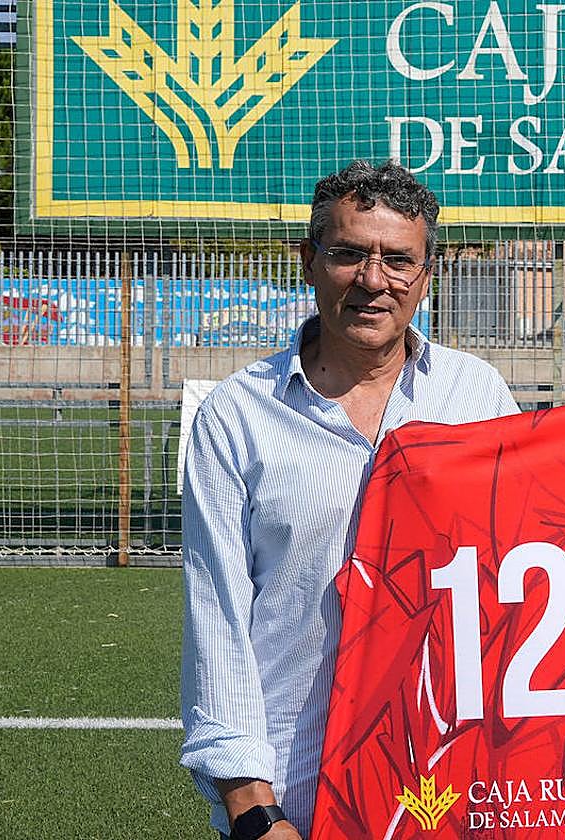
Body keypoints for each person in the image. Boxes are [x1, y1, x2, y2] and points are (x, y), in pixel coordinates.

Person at [179, 161, 520, 840]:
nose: (373, 281)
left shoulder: (479, 397)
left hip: (452, 781)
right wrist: (253, 808)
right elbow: (216, 616)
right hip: (294, 794)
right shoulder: (236, 415)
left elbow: (536, 552)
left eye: (399, 260)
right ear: (308, 261)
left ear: (427, 274)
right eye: (348, 254)